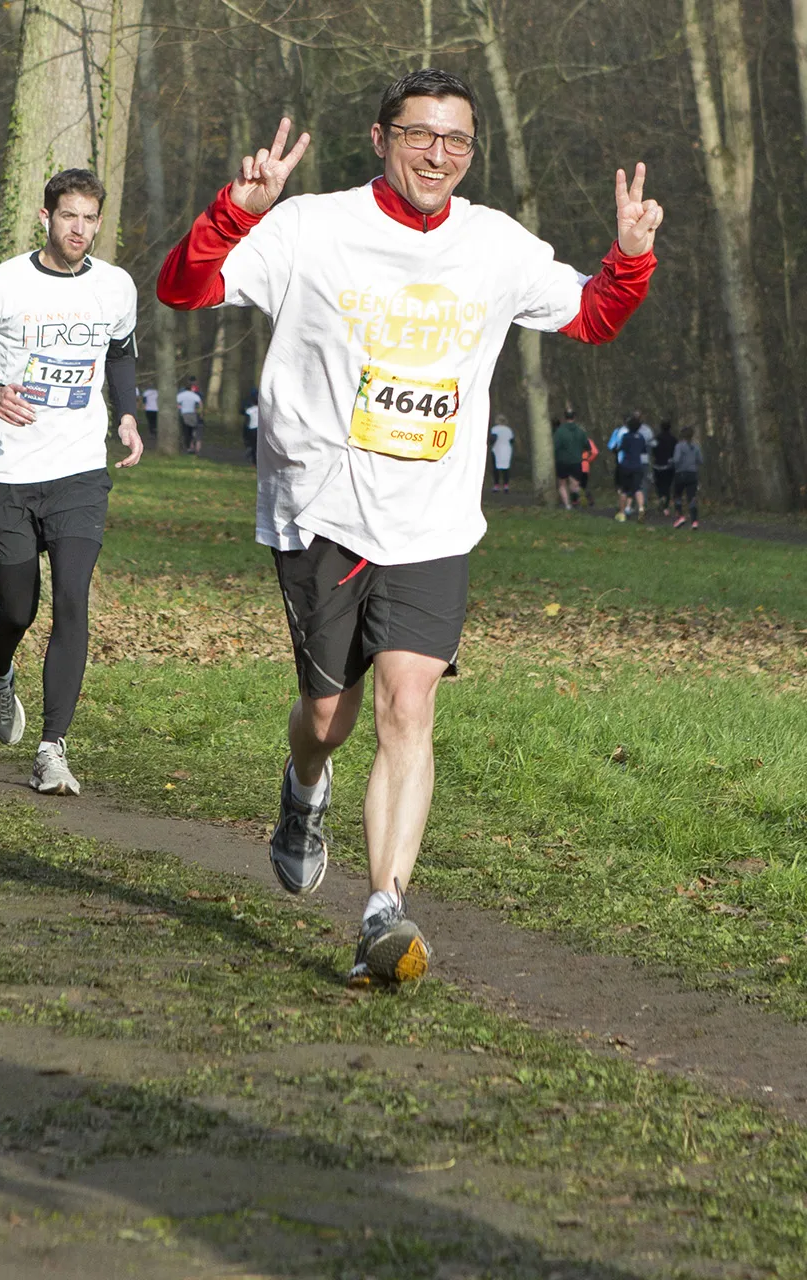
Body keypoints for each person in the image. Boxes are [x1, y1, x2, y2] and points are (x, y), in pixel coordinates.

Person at [157, 67, 660, 985]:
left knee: (408, 703)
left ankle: (384, 908)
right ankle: (305, 786)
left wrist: (628, 257)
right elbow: (184, 289)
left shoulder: (495, 245)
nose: (440, 155)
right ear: (382, 137)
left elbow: (592, 316)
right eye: (422, 135)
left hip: (431, 520)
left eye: (458, 141)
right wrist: (237, 209)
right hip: (321, 509)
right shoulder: (312, 228)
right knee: (326, 716)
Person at [0, 167, 144, 797]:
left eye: (90, 219)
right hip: (6, 472)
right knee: (18, 607)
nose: (79, 229)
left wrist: (127, 413)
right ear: (46, 218)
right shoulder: (1, 284)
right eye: (68, 216)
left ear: (99, 223)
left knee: (73, 599)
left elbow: (123, 351)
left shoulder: (115, 286)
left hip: (79, 469)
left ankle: (52, 749)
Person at [613, 412, 649, 521]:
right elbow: (644, 451)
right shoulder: (641, 438)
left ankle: (622, 513)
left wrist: (615, 450)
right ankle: (641, 509)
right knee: (637, 489)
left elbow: (621, 448)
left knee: (624, 490)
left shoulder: (626, 437)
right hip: (637, 465)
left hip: (626, 465)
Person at [671, 426, 701, 528]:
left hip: (681, 474)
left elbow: (676, 459)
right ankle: (694, 521)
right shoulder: (696, 447)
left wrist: (671, 462)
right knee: (691, 497)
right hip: (693, 474)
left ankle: (680, 516)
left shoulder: (679, 446)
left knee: (677, 495)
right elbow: (700, 460)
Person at [651, 420, 678, 515]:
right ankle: (666, 507)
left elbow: (652, 451)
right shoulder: (674, 439)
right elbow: (676, 452)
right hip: (669, 466)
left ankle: (661, 498)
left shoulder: (656, 439)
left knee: (659, 485)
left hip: (657, 465)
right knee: (667, 485)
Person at [175, 377, 203, 453]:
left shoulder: (181, 395)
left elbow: (176, 403)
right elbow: (200, 403)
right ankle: (192, 445)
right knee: (193, 429)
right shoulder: (194, 395)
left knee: (185, 431)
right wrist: (200, 413)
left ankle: (188, 447)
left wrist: (179, 407)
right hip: (192, 414)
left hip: (184, 414)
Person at [488, 415, 514, 492]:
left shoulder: (495, 429)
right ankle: (506, 486)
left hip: (497, 449)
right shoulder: (508, 430)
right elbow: (512, 440)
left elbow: (493, 439)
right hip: (507, 450)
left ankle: (496, 486)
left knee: (496, 468)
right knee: (506, 468)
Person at [242, 388, 261, 462]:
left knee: (254, 446)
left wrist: (245, 432)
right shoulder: (262, 409)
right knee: (256, 446)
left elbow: (246, 422)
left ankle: (254, 459)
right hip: (258, 429)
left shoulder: (249, 410)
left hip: (252, 429)